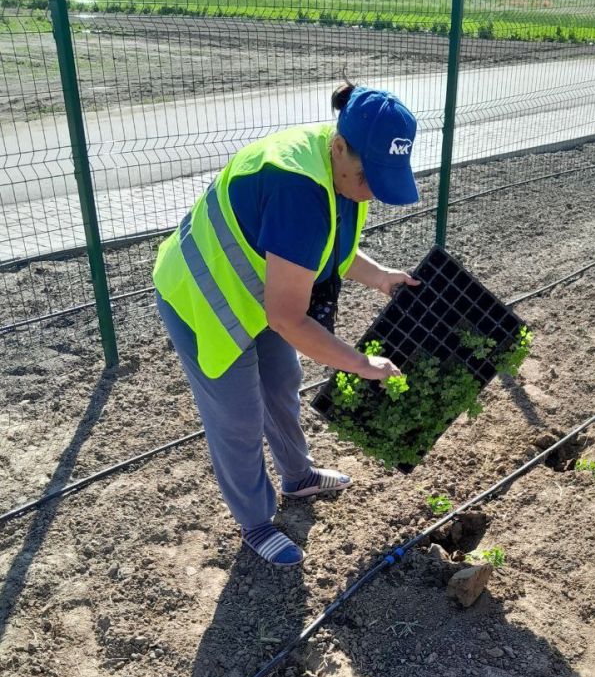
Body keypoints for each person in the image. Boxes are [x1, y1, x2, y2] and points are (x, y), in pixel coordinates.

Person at [152, 83, 420, 568]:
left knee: (282, 382)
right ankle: (255, 521)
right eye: (369, 177)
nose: (372, 190)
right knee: (237, 416)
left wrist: (379, 277)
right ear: (341, 147)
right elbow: (288, 316)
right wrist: (360, 364)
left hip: (260, 289)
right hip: (203, 296)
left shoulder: (338, 168)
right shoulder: (297, 186)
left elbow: (322, 247)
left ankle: (297, 477)